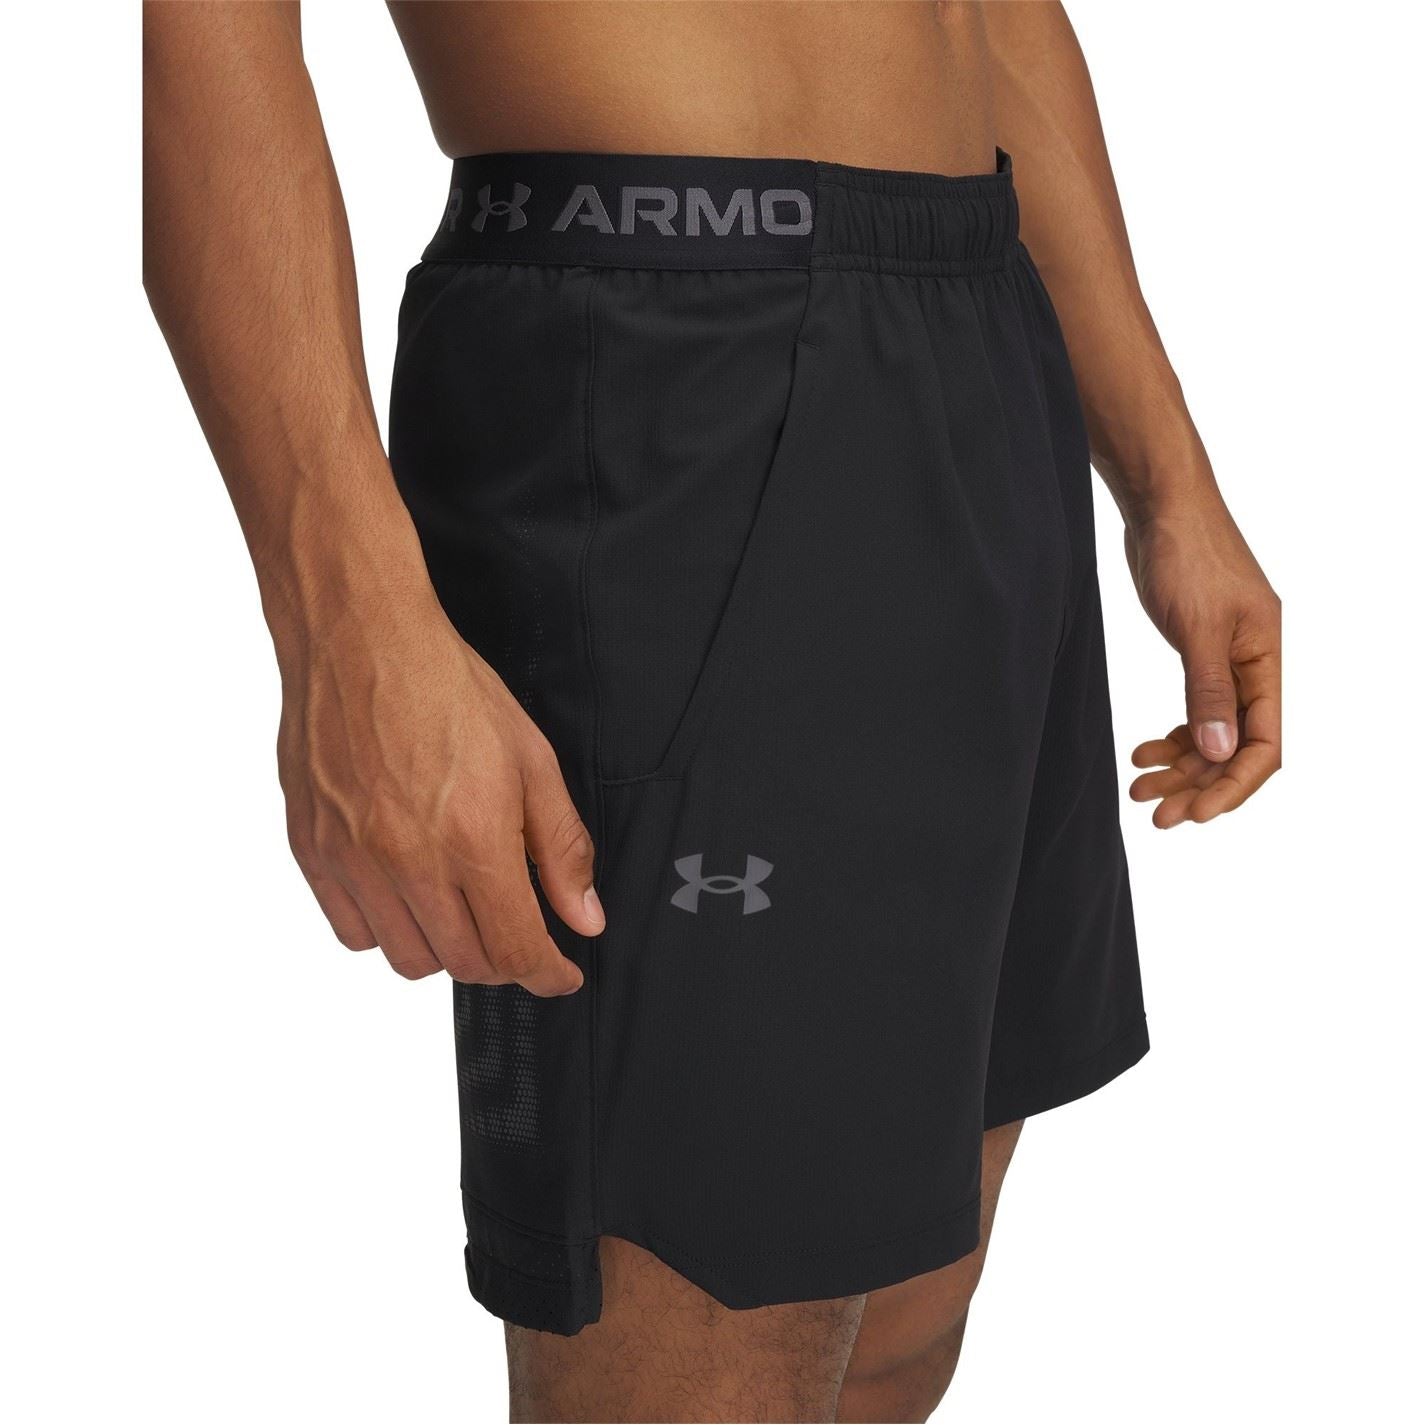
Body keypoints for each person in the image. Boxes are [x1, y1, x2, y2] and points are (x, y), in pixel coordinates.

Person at [143, 3, 1281, 1420]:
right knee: (721, 1335)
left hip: (977, 319)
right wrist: (342, 623)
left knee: (900, 1315)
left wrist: (1170, 482)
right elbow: (206, 33)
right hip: (667, 340)